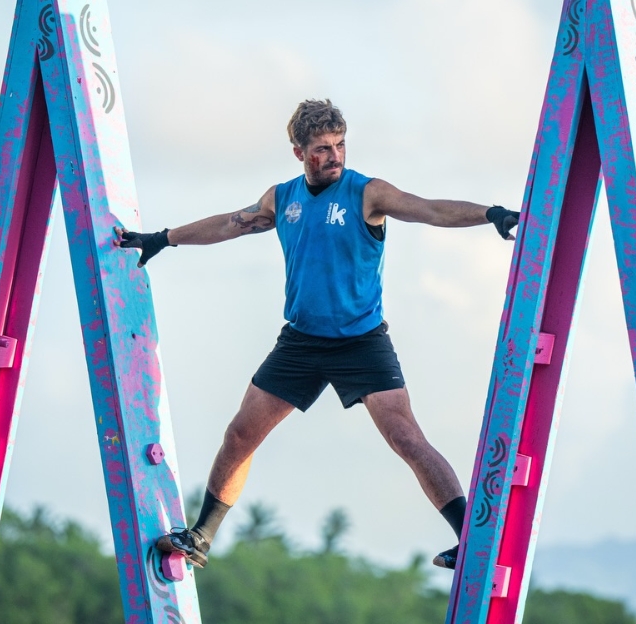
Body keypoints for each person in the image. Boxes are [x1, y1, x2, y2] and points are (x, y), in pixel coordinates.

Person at [114, 99, 519, 571]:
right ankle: (201, 536)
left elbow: (428, 209)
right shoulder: (281, 198)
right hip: (301, 343)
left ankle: (471, 537)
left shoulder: (368, 194)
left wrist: (492, 215)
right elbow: (229, 224)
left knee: (406, 437)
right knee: (241, 434)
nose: (335, 156)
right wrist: (163, 238)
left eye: (340, 145)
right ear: (299, 152)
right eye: (323, 148)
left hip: (362, 342)